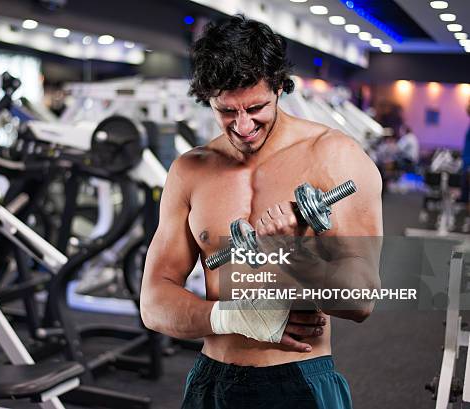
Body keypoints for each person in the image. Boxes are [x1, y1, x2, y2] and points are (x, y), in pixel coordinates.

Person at [140, 15, 382, 409]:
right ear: (208, 99)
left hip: (297, 380)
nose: (243, 126)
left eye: (256, 107)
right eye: (226, 111)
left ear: (279, 86)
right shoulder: (190, 170)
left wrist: (290, 251)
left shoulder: (335, 157)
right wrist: (233, 318)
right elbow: (154, 303)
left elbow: (361, 300)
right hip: (211, 380)